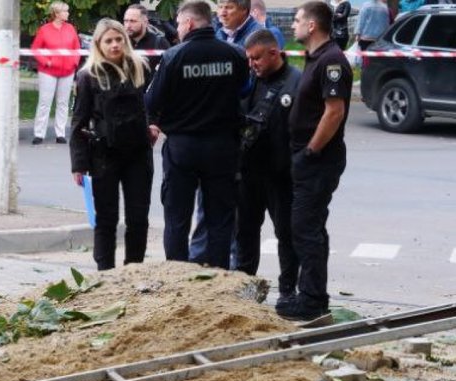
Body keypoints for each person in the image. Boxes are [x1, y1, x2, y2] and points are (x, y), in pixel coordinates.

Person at [145, 0, 247, 267]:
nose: (177, 28)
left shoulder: (174, 56)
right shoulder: (235, 54)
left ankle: (178, 279)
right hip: (223, 147)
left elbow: (152, 102)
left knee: (177, 218)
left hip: (182, 147)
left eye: (178, 23)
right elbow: (243, 92)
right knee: (220, 219)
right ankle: (217, 278)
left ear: (189, 23)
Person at [280, 0, 351, 321]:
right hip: (309, 157)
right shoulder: (317, 57)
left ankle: (310, 299)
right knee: (310, 227)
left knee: (305, 228)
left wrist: (311, 150)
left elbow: (334, 111)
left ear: (312, 26)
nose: (292, 25)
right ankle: (313, 295)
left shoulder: (332, 60)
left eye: (296, 20)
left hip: (318, 159)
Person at [69, 19, 155, 271]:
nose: (115, 45)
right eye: (109, 41)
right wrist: (79, 164)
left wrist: (154, 123)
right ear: (98, 44)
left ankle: (134, 269)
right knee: (106, 218)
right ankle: (104, 273)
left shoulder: (139, 67)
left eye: (119, 39)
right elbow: (78, 123)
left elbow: (154, 101)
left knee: (138, 218)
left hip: (138, 153)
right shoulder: (88, 76)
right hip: (103, 154)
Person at [235, 29, 301, 289]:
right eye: (249, 59)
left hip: (281, 175)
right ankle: (245, 287)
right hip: (249, 172)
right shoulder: (249, 80)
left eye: (257, 58)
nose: (252, 64)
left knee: (286, 235)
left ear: (274, 53)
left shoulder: (296, 82)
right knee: (245, 234)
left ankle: (287, 290)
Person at [30, 2, 82, 144]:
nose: (68, 13)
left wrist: (74, 63)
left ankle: (60, 133)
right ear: (57, 13)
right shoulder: (44, 30)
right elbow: (35, 49)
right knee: (44, 102)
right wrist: (47, 61)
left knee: (63, 103)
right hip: (48, 72)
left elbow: (77, 48)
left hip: (67, 71)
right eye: (65, 11)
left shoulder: (71, 28)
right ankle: (39, 134)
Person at [124, 4, 170, 75]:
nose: (128, 25)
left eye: (133, 21)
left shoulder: (159, 43)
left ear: (145, 22)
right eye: (126, 21)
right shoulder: (121, 43)